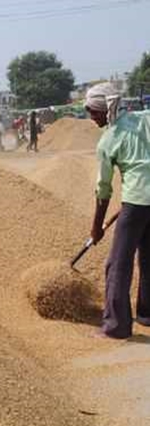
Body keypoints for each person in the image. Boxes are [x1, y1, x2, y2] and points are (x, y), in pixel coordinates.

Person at [87, 82, 150, 339]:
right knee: (148, 259)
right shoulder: (145, 118)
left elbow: (103, 192)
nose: (90, 117)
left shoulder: (108, 140)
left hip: (136, 203)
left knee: (118, 265)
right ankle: (146, 315)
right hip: (141, 201)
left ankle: (116, 326)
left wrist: (96, 227)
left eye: (92, 111)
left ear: (105, 110)